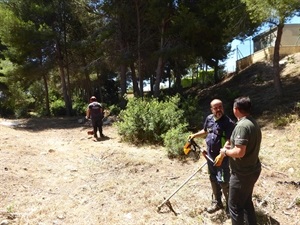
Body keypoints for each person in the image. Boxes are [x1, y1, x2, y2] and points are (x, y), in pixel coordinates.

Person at [219, 96, 262, 225]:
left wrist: (225, 152)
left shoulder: (242, 126)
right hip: (252, 169)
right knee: (246, 201)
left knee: (234, 205)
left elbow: (239, 152)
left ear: (236, 109)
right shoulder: (252, 122)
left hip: (242, 173)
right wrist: (231, 146)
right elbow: (243, 146)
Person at [189, 99, 235, 214]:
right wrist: (194, 135)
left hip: (222, 158)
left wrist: (222, 154)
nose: (218, 109)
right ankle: (217, 203)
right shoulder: (209, 118)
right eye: (215, 108)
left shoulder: (228, 123)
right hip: (210, 157)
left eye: (220, 106)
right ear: (211, 109)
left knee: (224, 181)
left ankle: (230, 207)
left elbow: (230, 141)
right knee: (213, 179)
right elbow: (205, 131)